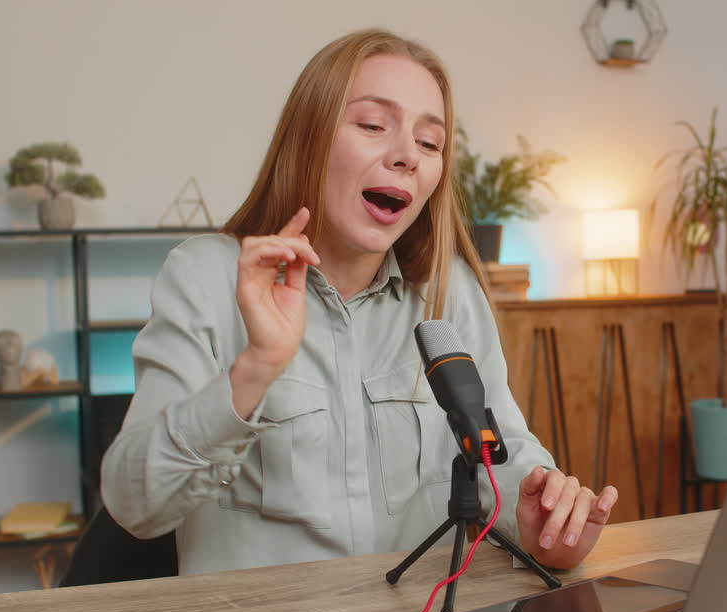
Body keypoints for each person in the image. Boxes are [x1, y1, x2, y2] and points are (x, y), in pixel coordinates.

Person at [101, 29, 619, 577]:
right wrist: (255, 369)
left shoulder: (449, 292)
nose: (406, 157)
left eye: (429, 143)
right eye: (373, 126)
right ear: (309, 139)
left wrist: (543, 521)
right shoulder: (206, 276)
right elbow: (135, 505)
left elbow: (502, 454)